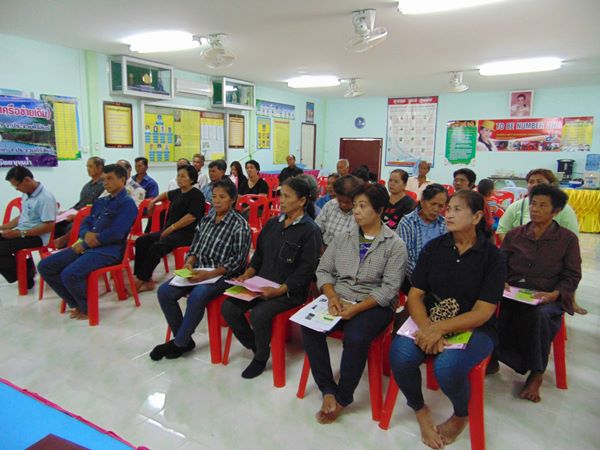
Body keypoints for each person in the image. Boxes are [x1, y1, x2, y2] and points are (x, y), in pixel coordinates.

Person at [390, 190, 506, 449]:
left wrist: (439, 329)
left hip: (474, 328)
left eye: (457, 209)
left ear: (477, 217)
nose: (448, 214)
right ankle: (419, 408)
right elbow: (415, 296)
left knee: (447, 367)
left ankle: (461, 414)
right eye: (448, 209)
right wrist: (428, 328)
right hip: (429, 318)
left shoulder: (493, 257)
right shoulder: (434, 248)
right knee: (400, 354)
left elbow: (483, 311)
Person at [302, 183, 407, 424]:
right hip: (339, 298)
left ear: (379, 210)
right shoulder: (343, 238)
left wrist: (357, 308)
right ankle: (327, 389)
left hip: (374, 304)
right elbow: (324, 270)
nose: (356, 211)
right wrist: (331, 296)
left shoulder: (394, 245)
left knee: (355, 337)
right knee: (309, 327)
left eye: (363, 206)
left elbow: (389, 289)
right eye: (356, 205)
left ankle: (343, 396)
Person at [221, 177, 322, 379]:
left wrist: (280, 290)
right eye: (280, 195)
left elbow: (306, 270)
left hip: (289, 292)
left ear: (302, 201)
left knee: (259, 314)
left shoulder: (310, 230)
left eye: (287, 196)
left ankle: (260, 358)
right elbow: (258, 256)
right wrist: (247, 275)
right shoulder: (272, 224)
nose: (281, 200)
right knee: (229, 308)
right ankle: (256, 345)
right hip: (260, 284)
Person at [496, 184, 581, 402]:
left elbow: (572, 275)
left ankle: (536, 373)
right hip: (513, 291)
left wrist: (555, 294)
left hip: (547, 295)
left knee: (539, 316)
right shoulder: (515, 235)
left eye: (543, 205)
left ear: (556, 211)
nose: (535, 209)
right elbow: (500, 263)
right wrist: (501, 280)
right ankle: (492, 357)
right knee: (486, 307)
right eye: (533, 204)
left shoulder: (567, 239)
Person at [150, 179, 251, 361]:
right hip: (199, 269)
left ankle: (179, 343)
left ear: (233, 199)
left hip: (223, 275)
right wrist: (189, 262)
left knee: (197, 296)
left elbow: (237, 262)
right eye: (214, 196)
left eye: (222, 197)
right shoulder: (207, 218)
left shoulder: (240, 226)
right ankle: (185, 340)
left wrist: (209, 274)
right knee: (164, 292)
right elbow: (195, 246)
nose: (216, 201)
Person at [37, 164, 137, 320]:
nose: (106, 183)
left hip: (108, 251)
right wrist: (85, 234)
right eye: (104, 179)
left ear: (122, 179)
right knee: (45, 266)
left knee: (70, 274)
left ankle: (87, 308)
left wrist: (85, 244)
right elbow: (86, 222)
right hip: (88, 246)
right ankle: (76, 303)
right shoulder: (101, 201)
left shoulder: (127, 204)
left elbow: (116, 233)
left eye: (110, 179)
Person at [134, 165, 206, 293]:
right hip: (170, 231)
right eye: (178, 175)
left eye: (183, 176)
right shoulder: (178, 192)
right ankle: (145, 278)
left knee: (157, 247)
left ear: (192, 179)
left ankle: (141, 280)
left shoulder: (196, 195)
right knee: (142, 241)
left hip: (186, 233)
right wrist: (153, 201)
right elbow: (165, 195)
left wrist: (171, 228)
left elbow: (191, 217)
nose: (179, 178)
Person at [0, 166, 57, 288]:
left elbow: (48, 227)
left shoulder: (45, 198)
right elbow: (23, 216)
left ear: (27, 180)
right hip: (22, 232)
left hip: (37, 237)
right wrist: (3, 227)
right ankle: (25, 272)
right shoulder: (26, 194)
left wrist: (19, 233)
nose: (17, 189)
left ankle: (25, 276)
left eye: (17, 186)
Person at [397, 184, 448, 293]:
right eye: (433, 204)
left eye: (440, 206)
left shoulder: (445, 224)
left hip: (440, 282)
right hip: (413, 281)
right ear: (423, 202)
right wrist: (424, 281)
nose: (436, 209)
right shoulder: (407, 223)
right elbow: (406, 259)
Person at [54, 157, 105, 248]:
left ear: (99, 168)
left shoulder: (104, 186)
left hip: (89, 217)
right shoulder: (87, 186)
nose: (88, 169)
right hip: (77, 213)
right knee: (57, 224)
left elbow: (96, 208)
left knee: (72, 226)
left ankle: (67, 247)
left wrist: (76, 216)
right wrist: (66, 212)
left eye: (90, 166)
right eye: (87, 166)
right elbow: (80, 203)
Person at [315, 175, 362, 248]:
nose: (343, 205)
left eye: (347, 202)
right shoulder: (330, 205)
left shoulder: (361, 213)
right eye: (339, 200)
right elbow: (317, 229)